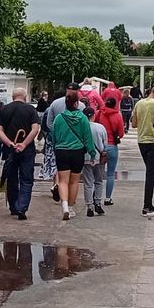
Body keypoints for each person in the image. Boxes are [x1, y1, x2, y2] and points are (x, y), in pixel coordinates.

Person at [0, 87, 40, 220]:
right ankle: (22, 207)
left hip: (10, 149)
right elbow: (35, 129)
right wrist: (24, 144)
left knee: (12, 178)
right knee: (26, 179)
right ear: (25, 96)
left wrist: (10, 143)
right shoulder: (31, 110)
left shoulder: (5, 109)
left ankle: (13, 207)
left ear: (13, 96)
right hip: (27, 150)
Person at [51, 90, 95, 221]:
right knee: (74, 181)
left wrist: (55, 148)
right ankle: (70, 207)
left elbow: (54, 136)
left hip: (61, 151)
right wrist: (92, 153)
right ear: (77, 103)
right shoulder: (82, 118)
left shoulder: (59, 118)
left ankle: (64, 205)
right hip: (77, 152)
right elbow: (88, 137)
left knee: (63, 181)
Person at [38, 82, 78, 197]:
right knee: (72, 171)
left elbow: (48, 123)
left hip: (57, 141)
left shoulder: (55, 104)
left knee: (58, 163)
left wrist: (55, 135)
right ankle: (66, 195)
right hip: (75, 142)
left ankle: (57, 184)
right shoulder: (80, 105)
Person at [132, 83, 154, 214]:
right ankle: (147, 205)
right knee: (151, 175)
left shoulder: (139, 103)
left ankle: (148, 204)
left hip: (141, 141)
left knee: (149, 172)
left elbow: (134, 124)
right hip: (153, 141)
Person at [97, 94, 126, 206]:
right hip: (112, 146)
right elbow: (121, 134)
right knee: (110, 174)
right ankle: (108, 198)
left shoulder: (99, 113)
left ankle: (96, 197)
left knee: (98, 174)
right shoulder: (118, 116)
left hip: (100, 147)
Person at [80, 106, 108, 216]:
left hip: (86, 157)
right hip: (99, 157)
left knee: (88, 183)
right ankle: (98, 202)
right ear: (94, 115)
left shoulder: (81, 127)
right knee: (99, 181)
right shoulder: (100, 127)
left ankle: (89, 206)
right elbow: (105, 144)